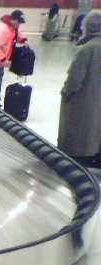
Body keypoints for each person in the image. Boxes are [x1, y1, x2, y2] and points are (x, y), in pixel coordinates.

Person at [58, 12, 101, 169]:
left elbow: (74, 81)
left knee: (80, 137)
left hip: (83, 105)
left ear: (88, 27)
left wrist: (65, 93)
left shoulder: (86, 49)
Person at [0, 9, 27, 107]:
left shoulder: (11, 27)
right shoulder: (2, 29)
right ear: (13, 19)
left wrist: (23, 40)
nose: (19, 25)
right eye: (18, 22)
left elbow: (15, 34)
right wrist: (4, 59)